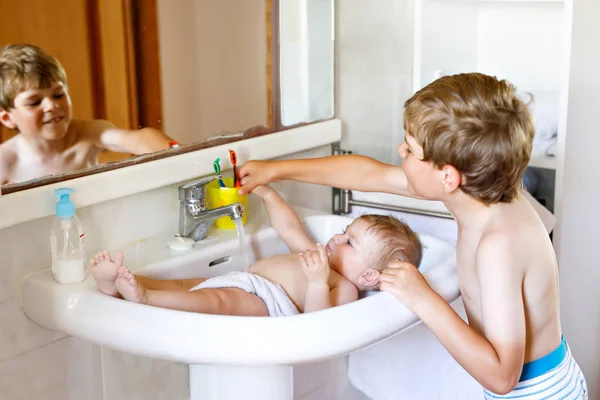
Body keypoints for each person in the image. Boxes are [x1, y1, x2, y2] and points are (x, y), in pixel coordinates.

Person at [237, 74, 588, 397]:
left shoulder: (498, 245)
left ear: (448, 177)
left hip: (536, 393)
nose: (400, 153)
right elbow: (367, 174)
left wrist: (422, 297)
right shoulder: (487, 192)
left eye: (409, 149)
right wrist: (277, 170)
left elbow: (501, 377)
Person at [91, 184, 422, 317]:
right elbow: (288, 228)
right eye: (343, 232)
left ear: (367, 274)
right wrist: (268, 194)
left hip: (267, 303)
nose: (337, 238)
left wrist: (318, 282)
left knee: (216, 302)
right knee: (185, 286)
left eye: (350, 242)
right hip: (244, 280)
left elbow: (318, 323)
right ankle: (119, 287)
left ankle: (144, 299)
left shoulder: (343, 286)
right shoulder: (318, 255)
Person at [0, 44, 178, 185]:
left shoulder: (88, 133)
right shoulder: (5, 161)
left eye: (58, 94)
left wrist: (182, 156)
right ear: (7, 118)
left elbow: (138, 139)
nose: (52, 105)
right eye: (34, 102)